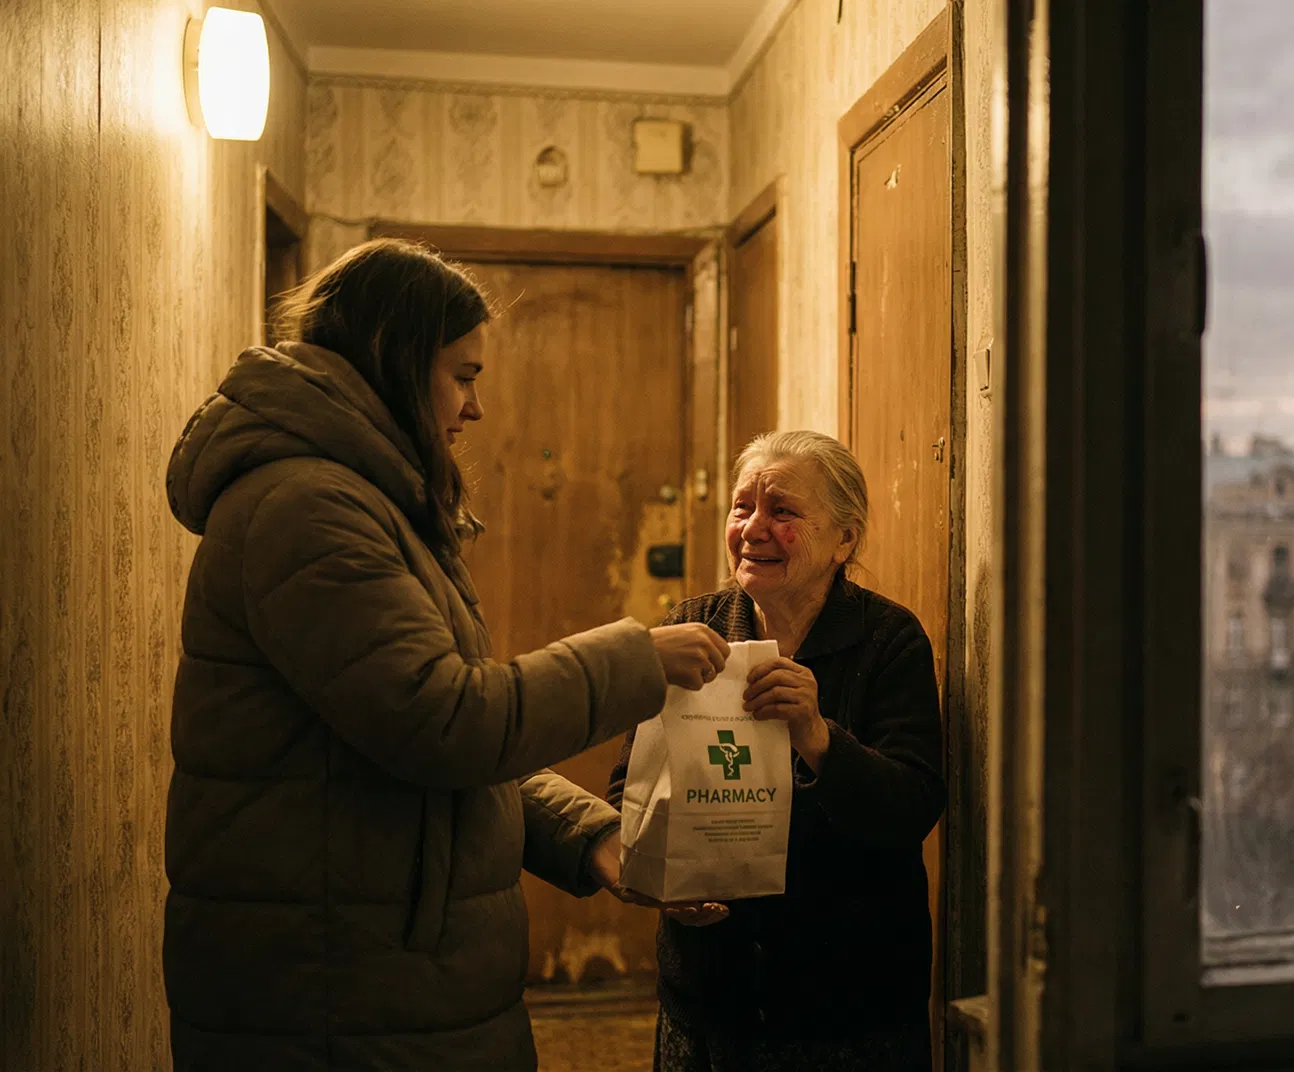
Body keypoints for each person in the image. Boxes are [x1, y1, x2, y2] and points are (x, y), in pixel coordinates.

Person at [161, 238, 730, 1071]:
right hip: (335, 991)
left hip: (374, 969)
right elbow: (446, 722)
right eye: (462, 376)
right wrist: (637, 659)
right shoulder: (308, 510)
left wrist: (588, 835)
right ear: (394, 359)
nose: (476, 408)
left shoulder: (361, 500)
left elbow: (428, 728)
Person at [608, 430, 946, 1071]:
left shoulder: (888, 639)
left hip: (848, 1003)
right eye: (743, 507)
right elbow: (630, 791)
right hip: (708, 992)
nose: (753, 529)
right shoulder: (692, 629)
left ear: (844, 539)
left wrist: (817, 737)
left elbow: (914, 806)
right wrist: (664, 882)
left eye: (782, 511)